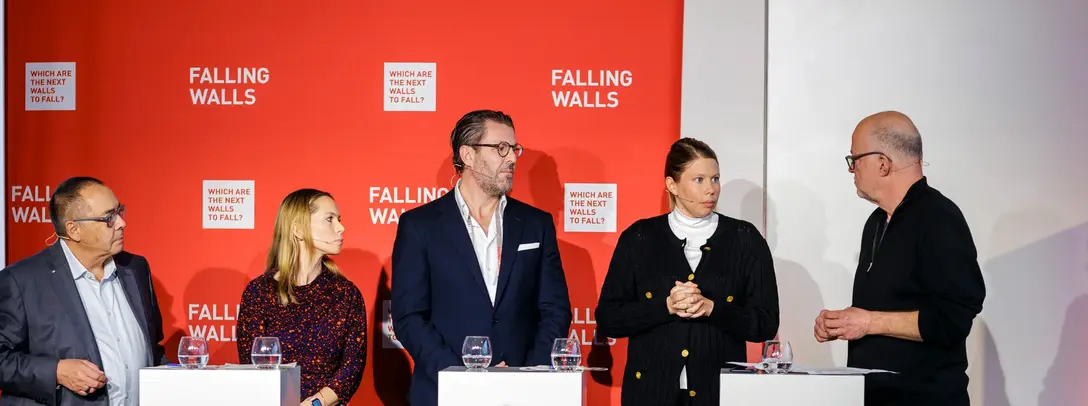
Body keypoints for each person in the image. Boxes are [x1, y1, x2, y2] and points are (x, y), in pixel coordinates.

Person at [390, 109, 572, 406]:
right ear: (468, 155)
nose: (512, 158)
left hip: (523, 393)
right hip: (444, 391)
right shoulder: (420, 225)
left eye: (514, 149)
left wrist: (527, 375)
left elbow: (555, 310)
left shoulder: (535, 223)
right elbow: (409, 317)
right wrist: (460, 376)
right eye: (501, 148)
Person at [814, 111, 986, 406]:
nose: (851, 169)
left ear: (883, 163)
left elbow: (952, 319)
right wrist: (845, 323)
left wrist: (868, 322)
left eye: (855, 159)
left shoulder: (939, 218)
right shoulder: (876, 223)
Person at [595, 137, 780, 405]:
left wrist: (713, 309)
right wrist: (665, 306)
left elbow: (765, 323)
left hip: (719, 393)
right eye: (699, 180)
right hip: (649, 394)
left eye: (715, 179)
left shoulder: (745, 239)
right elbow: (608, 318)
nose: (711, 190)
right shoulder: (639, 238)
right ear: (672, 184)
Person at [0, 176, 168, 406]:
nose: (121, 223)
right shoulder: (22, 281)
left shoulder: (135, 269)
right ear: (74, 230)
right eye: (109, 217)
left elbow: (152, 348)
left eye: (120, 211)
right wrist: (56, 371)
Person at [236, 188, 366, 406]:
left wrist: (315, 404)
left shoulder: (346, 294)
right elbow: (251, 366)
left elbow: (352, 367)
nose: (341, 227)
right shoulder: (259, 292)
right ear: (298, 229)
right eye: (329, 219)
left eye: (339, 219)